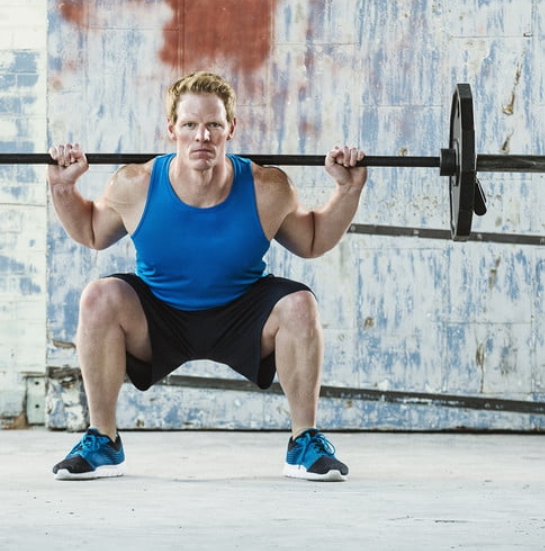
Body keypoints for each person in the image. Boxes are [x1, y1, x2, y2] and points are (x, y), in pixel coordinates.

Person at [47, 71, 366, 481]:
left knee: (300, 304)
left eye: (214, 124)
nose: (202, 136)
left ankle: (304, 441)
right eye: (190, 125)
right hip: (159, 317)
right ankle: (103, 440)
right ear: (172, 130)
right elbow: (91, 232)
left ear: (230, 128)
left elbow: (314, 241)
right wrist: (62, 189)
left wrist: (348, 191)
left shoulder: (267, 188)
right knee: (98, 297)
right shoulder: (135, 184)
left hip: (242, 314)